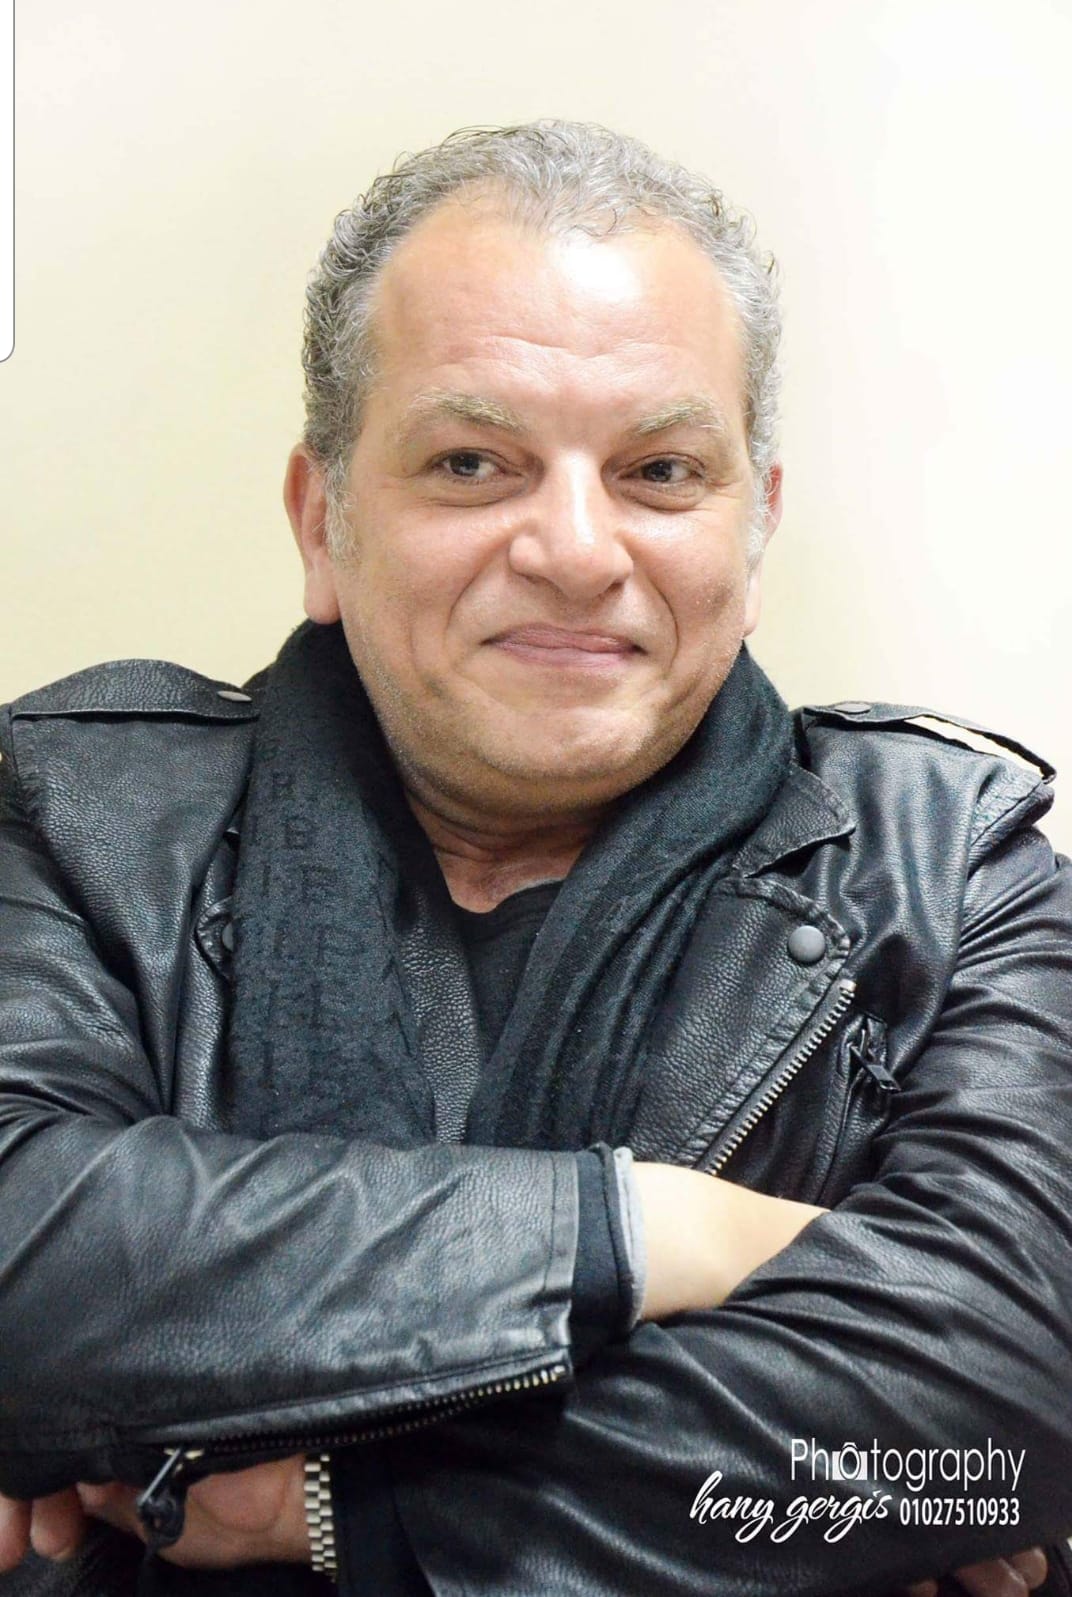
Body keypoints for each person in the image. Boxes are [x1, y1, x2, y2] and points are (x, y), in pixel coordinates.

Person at [1, 118, 1071, 1597]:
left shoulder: (951, 868)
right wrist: (647, 1231)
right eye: (471, 462)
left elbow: (1009, 1407)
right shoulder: (78, 814)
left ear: (754, 528)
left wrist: (341, 1506)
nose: (575, 549)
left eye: (660, 470)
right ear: (323, 522)